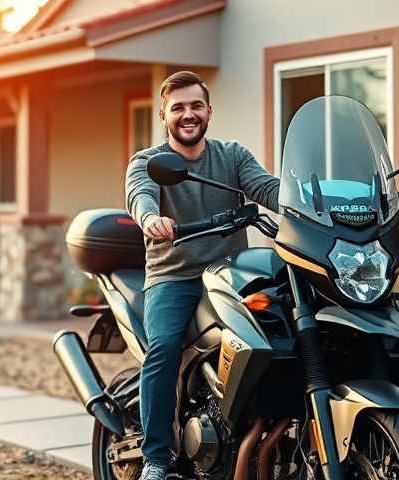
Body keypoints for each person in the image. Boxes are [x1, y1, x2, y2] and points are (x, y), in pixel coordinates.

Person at [125, 70, 281, 480]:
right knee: (163, 348)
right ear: (164, 115)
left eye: (196, 106)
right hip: (173, 276)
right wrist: (150, 217)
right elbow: (139, 194)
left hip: (231, 274)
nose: (188, 114)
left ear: (209, 111)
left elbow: (267, 189)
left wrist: (322, 202)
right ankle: (156, 458)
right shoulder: (148, 162)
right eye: (178, 108)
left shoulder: (232, 156)